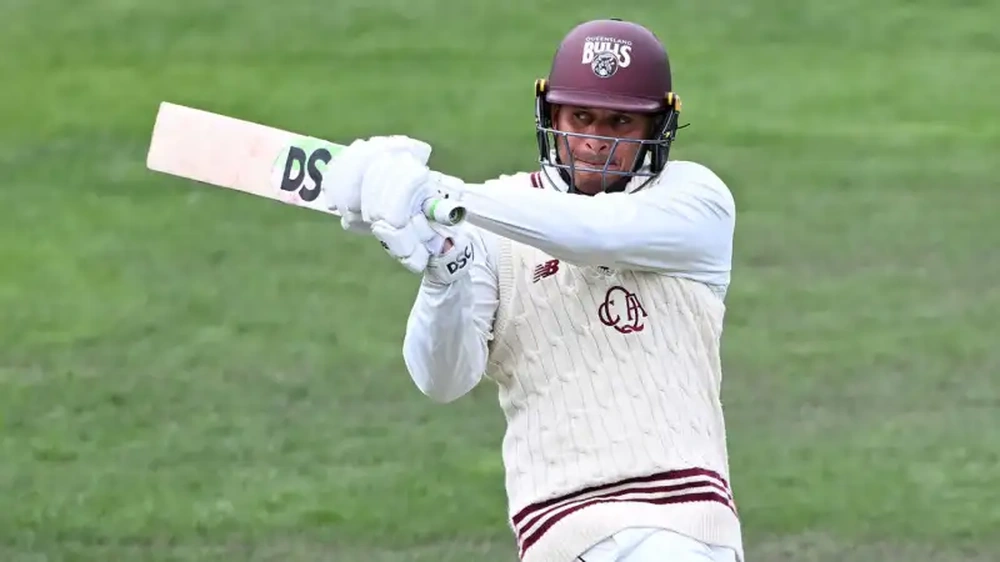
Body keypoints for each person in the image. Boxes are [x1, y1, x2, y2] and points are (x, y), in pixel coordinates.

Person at [325, 17, 744, 562]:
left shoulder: (696, 201)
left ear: (657, 127)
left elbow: (594, 232)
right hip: (559, 537)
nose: (595, 141)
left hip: (680, 532)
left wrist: (434, 192)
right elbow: (442, 380)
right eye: (582, 117)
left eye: (621, 121)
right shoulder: (483, 223)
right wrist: (444, 268)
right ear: (551, 114)